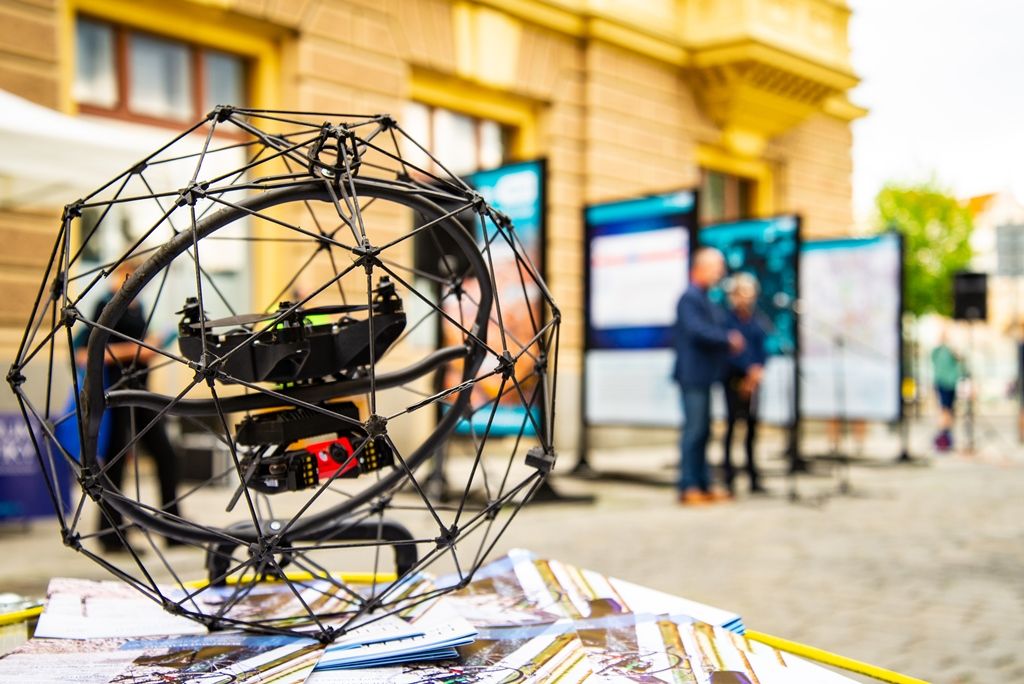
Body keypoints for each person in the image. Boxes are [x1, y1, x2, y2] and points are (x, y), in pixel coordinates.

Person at [75, 259, 182, 551]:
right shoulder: (106, 305)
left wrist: (151, 347)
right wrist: (138, 349)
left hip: (141, 393)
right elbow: (85, 353)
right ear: (126, 275)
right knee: (115, 464)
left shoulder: (137, 307)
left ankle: (173, 529)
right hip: (116, 396)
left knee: (166, 455)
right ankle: (111, 536)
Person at [672, 248, 744, 505]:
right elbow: (697, 331)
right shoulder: (689, 298)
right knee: (694, 431)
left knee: (703, 432)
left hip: (706, 376)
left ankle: (703, 484)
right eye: (716, 266)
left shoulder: (709, 299)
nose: (720, 272)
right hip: (692, 376)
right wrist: (727, 339)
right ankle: (688, 486)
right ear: (700, 267)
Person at [721, 273, 768, 495]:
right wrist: (746, 371)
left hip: (754, 380)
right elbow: (729, 351)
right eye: (742, 292)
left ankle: (753, 476)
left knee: (751, 429)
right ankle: (728, 477)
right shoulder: (726, 320)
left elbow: (762, 348)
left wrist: (757, 371)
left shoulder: (758, 320)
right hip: (733, 379)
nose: (746, 297)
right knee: (732, 427)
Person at [931, 331, 963, 452]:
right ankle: (944, 434)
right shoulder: (938, 351)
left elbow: (959, 359)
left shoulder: (949, 351)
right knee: (945, 409)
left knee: (948, 409)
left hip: (949, 383)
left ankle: (946, 433)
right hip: (943, 383)